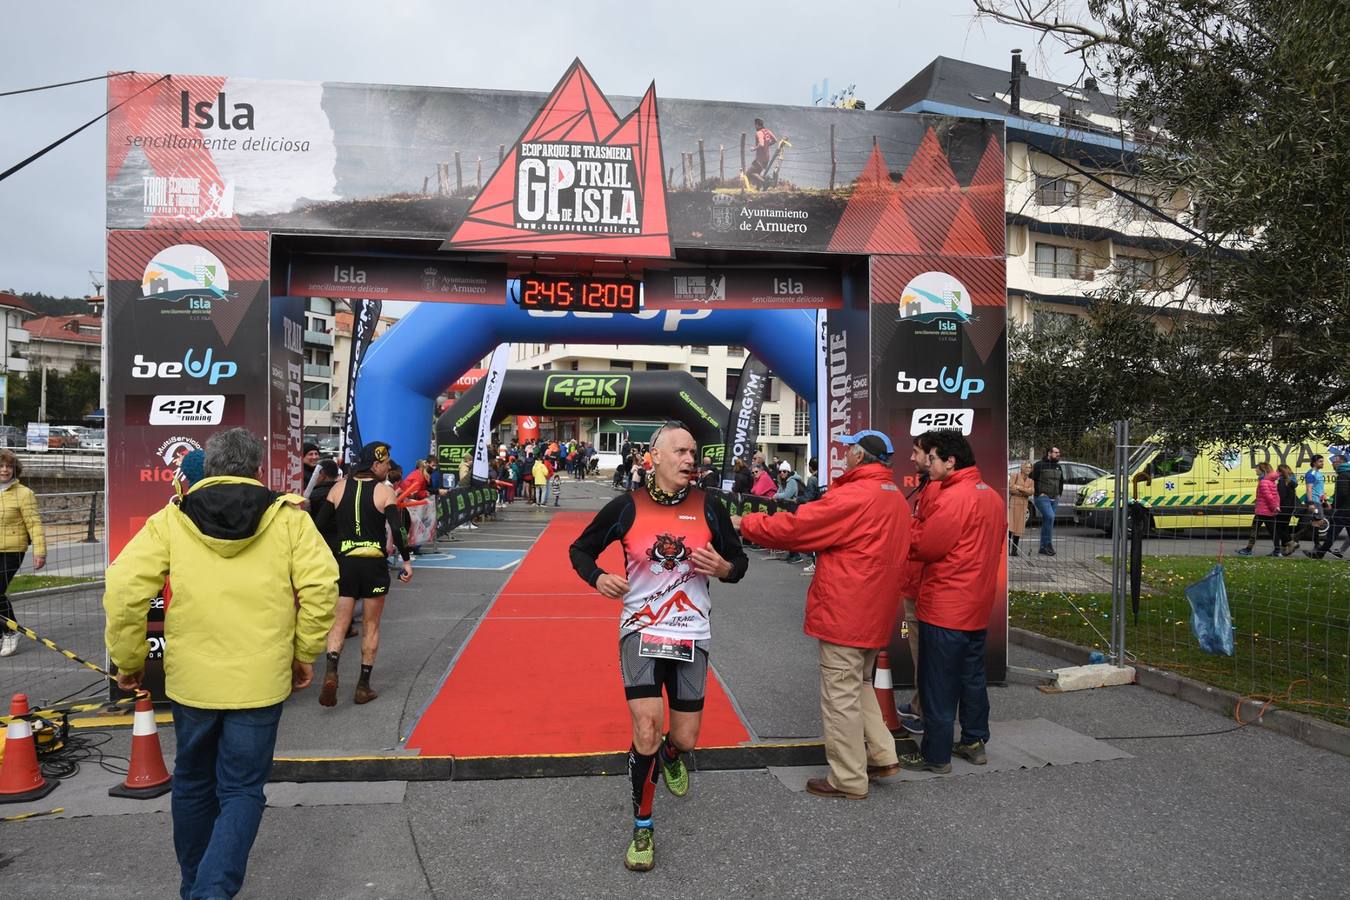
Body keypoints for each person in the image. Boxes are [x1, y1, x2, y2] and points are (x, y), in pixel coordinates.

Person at [103, 428, 337, 899]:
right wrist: (302, 652)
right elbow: (321, 586)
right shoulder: (288, 518)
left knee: (192, 784)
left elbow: (125, 590)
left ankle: (196, 885)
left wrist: (129, 660)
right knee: (242, 790)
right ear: (256, 471)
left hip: (193, 681)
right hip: (262, 677)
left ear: (208, 468)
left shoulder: (172, 518)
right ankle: (211, 890)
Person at [568, 420, 748, 873]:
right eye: (683, 452)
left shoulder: (710, 508)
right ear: (657, 457)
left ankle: (671, 756)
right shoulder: (627, 507)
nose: (692, 460)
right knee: (646, 729)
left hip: (691, 631)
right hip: (642, 630)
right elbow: (580, 550)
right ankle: (643, 827)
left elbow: (739, 562)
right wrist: (599, 577)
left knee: (684, 736)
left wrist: (724, 567)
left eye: (694, 453)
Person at [734, 430, 910, 800]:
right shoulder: (893, 497)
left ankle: (847, 778)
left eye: (849, 450)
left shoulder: (853, 495)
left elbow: (798, 528)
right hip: (875, 608)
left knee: (840, 695)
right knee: (859, 686)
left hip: (847, 609)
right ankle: (881, 755)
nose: (844, 454)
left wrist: (745, 524)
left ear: (861, 457)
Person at [898, 430, 1005, 775]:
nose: (927, 464)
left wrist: (908, 532)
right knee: (972, 676)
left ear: (951, 461)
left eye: (933, 459)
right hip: (976, 603)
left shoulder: (952, 497)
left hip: (945, 604)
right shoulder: (991, 496)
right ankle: (974, 742)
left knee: (938, 681)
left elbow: (927, 546)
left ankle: (935, 754)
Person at [313, 441, 413, 706]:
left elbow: (318, 526)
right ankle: (362, 686)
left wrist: (333, 552)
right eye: (386, 463)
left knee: (339, 624)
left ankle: (331, 671)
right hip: (373, 565)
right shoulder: (384, 492)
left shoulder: (337, 488)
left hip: (345, 563)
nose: (389, 467)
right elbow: (397, 529)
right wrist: (406, 561)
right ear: (375, 464)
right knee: (371, 626)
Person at [896, 434, 940, 735]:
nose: (912, 458)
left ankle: (926, 713)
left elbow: (927, 540)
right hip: (917, 581)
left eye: (917, 453)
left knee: (924, 653)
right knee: (921, 652)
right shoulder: (930, 487)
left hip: (924, 585)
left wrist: (902, 529)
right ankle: (918, 703)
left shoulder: (938, 491)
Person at [0, 449, 45, 657]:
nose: (5, 470)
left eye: (9, 466)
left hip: (12, 550)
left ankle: (11, 631)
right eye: (1, 466)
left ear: (15, 469)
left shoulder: (24, 494)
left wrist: (40, 552)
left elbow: (34, 524)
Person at [1306, 453, 1350, 558]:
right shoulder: (1347, 473)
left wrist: (1334, 506)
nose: (1332, 464)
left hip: (1345, 509)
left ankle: (1319, 554)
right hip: (1347, 509)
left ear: (1340, 462)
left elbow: (1342, 494)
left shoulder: (1343, 475)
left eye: (1333, 462)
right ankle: (1319, 553)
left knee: (1332, 531)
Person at [1237, 462, 1279, 556]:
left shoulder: (1263, 482)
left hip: (1263, 511)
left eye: (1257, 468)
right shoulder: (1271, 481)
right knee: (1273, 531)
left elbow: (1269, 497)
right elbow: (1276, 496)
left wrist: (1273, 507)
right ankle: (1277, 550)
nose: (1255, 470)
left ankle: (1249, 549)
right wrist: (1276, 507)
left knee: (1254, 530)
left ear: (1262, 470)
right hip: (1268, 511)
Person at [1029, 446, 1063, 556]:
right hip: (1043, 497)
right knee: (1050, 516)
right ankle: (1048, 544)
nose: (1058, 454)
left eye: (1058, 452)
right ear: (1049, 453)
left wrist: (1059, 493)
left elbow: (1061, 481)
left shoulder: (1058, 467)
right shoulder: (1039, 465)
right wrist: (1038, 492)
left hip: (1054, 498)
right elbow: (1031, 479)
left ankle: (1043, 547)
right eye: (1056, 452)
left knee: (1048, 521)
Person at [1008, 462, 1034, 557]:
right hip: (1013, 503)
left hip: (1023, 504)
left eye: (1030, 467)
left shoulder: (1031, 481)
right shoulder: (1015, 475)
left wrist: (1019, 488)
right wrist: (1025, 490)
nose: (1028, 469)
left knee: (1019, 527)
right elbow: (1011, 488)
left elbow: (1031, 492)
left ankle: (1014, 551)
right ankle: (1007, 549)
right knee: (1011, 526)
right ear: (1022, 468)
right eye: (1027, 467)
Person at [1274, 464, 1299, 556]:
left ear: (1281, 472)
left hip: (1283, 507)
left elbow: (1281, 496)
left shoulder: (1281, 481)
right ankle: (1285, 548)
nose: (1276, 472)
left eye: (1277, 470)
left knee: (1278, 528)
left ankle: (1291, 543)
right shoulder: (1292, 481)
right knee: (1284, 527)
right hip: (1290, 507)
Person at [748, 117, 778, 186]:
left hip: (760, 159)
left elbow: (761, 144)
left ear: (757, 125)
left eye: (755, 125)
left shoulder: (759, 133)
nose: (755, 126)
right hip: (767, 158)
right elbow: (775, 140)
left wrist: (754, 149)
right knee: (757, 173)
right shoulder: (767, 131)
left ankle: (766, 183)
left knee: (749, 173)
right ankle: (759, 187)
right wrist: (767, 145)